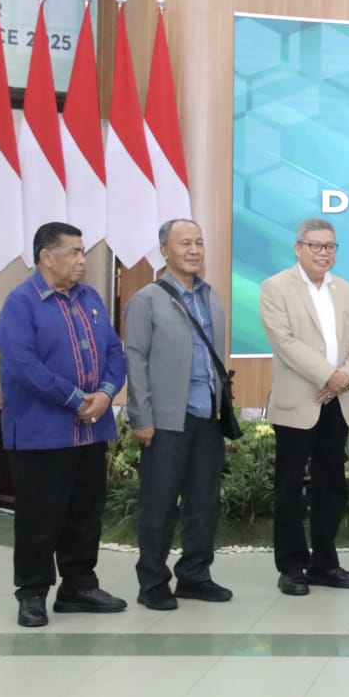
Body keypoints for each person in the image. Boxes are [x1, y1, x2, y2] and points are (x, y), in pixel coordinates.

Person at [0, 221, 128, 628]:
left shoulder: (91, 299)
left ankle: (78, 586)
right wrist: (74, 399)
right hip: (41, 433)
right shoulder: (21, 303)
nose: (82, 260)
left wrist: (105, 394)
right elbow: (23, 365)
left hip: (91, 430)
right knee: (40, 518)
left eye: (83, 252)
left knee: (85, 514)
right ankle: (32, 593)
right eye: (74, 252)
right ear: (46, 257)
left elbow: (114, 352)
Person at [123, 219, 231, 610]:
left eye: (199, 242)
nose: (194, 250)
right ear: (164, 251)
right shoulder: (147, 300)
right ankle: (153, 583)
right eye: (185, 243)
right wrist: (142, 417)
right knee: (159, 504)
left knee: (203, 503)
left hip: (207, 416)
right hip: (167, 419)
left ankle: (195, 576)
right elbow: (135, 361)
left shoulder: (211, 296)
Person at [259, 217, 349, 596]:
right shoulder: (275, 287)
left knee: (331, 486)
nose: (324, 253)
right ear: (298, 248)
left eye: (330, 246)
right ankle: (291, 566)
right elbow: (284, 342)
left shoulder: (346, 289)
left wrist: (344, 377)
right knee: (289, 488)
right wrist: (329, 376)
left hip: (337, 402)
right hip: (298, 402)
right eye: (316, 246)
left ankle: (325, 563)